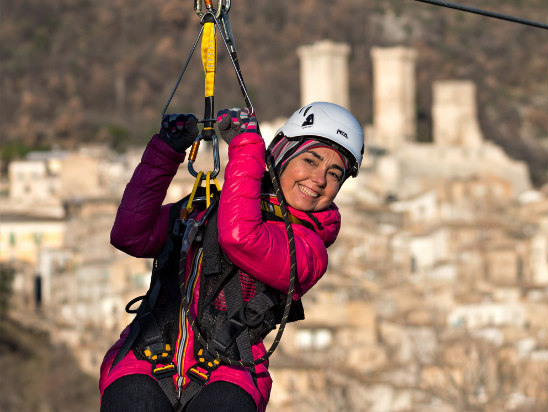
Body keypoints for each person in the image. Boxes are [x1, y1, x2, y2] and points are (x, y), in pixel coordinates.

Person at [99, 102, 364, 412]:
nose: (319, 179)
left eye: (334, 174)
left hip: (230, 372)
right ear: (281, 154)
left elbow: (240, 238)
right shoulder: (215, 205)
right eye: (310, 160)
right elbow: (130, 235)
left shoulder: (308, 249)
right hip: (145, 354)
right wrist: (165, 151)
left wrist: (246, 146)